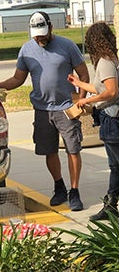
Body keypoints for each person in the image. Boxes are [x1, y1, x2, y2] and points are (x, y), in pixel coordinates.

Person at [0, 11, 89, 211]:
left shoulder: (67, 46)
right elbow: (18, 79)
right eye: (36, 34)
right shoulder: (26, 50)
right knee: (49, 151)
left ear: (50, 28)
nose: (39, 38)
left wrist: (81, 100)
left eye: (42, 33)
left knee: (73, 150)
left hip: (67, 108)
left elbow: (83, 73)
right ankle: (59, 187)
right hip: (42, 109)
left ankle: (74, 192)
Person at [68, 21, 119, 220]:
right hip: (111, 119)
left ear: (94, 42)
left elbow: (111, 91)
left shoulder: (105, 61)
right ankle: (110, 205)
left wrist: (87, 100)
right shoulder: (111, 59)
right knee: (115, 166)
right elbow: (102, 88)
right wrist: (79, 84)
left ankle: (110, 205)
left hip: (112, 120)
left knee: (116, 165)